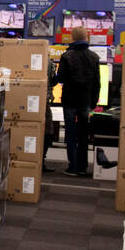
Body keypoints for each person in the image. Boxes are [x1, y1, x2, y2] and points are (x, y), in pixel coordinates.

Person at [51, 26, 101, 177]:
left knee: (71, 134)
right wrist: (93, 103)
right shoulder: (94, 57)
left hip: (69, 100)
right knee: (83, 134)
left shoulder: (67, 56)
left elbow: (60, 78)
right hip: (85, 101)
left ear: (72, 38)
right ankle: (83, 166)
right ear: (87, 38)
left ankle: (73, 166)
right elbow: (97, 83)